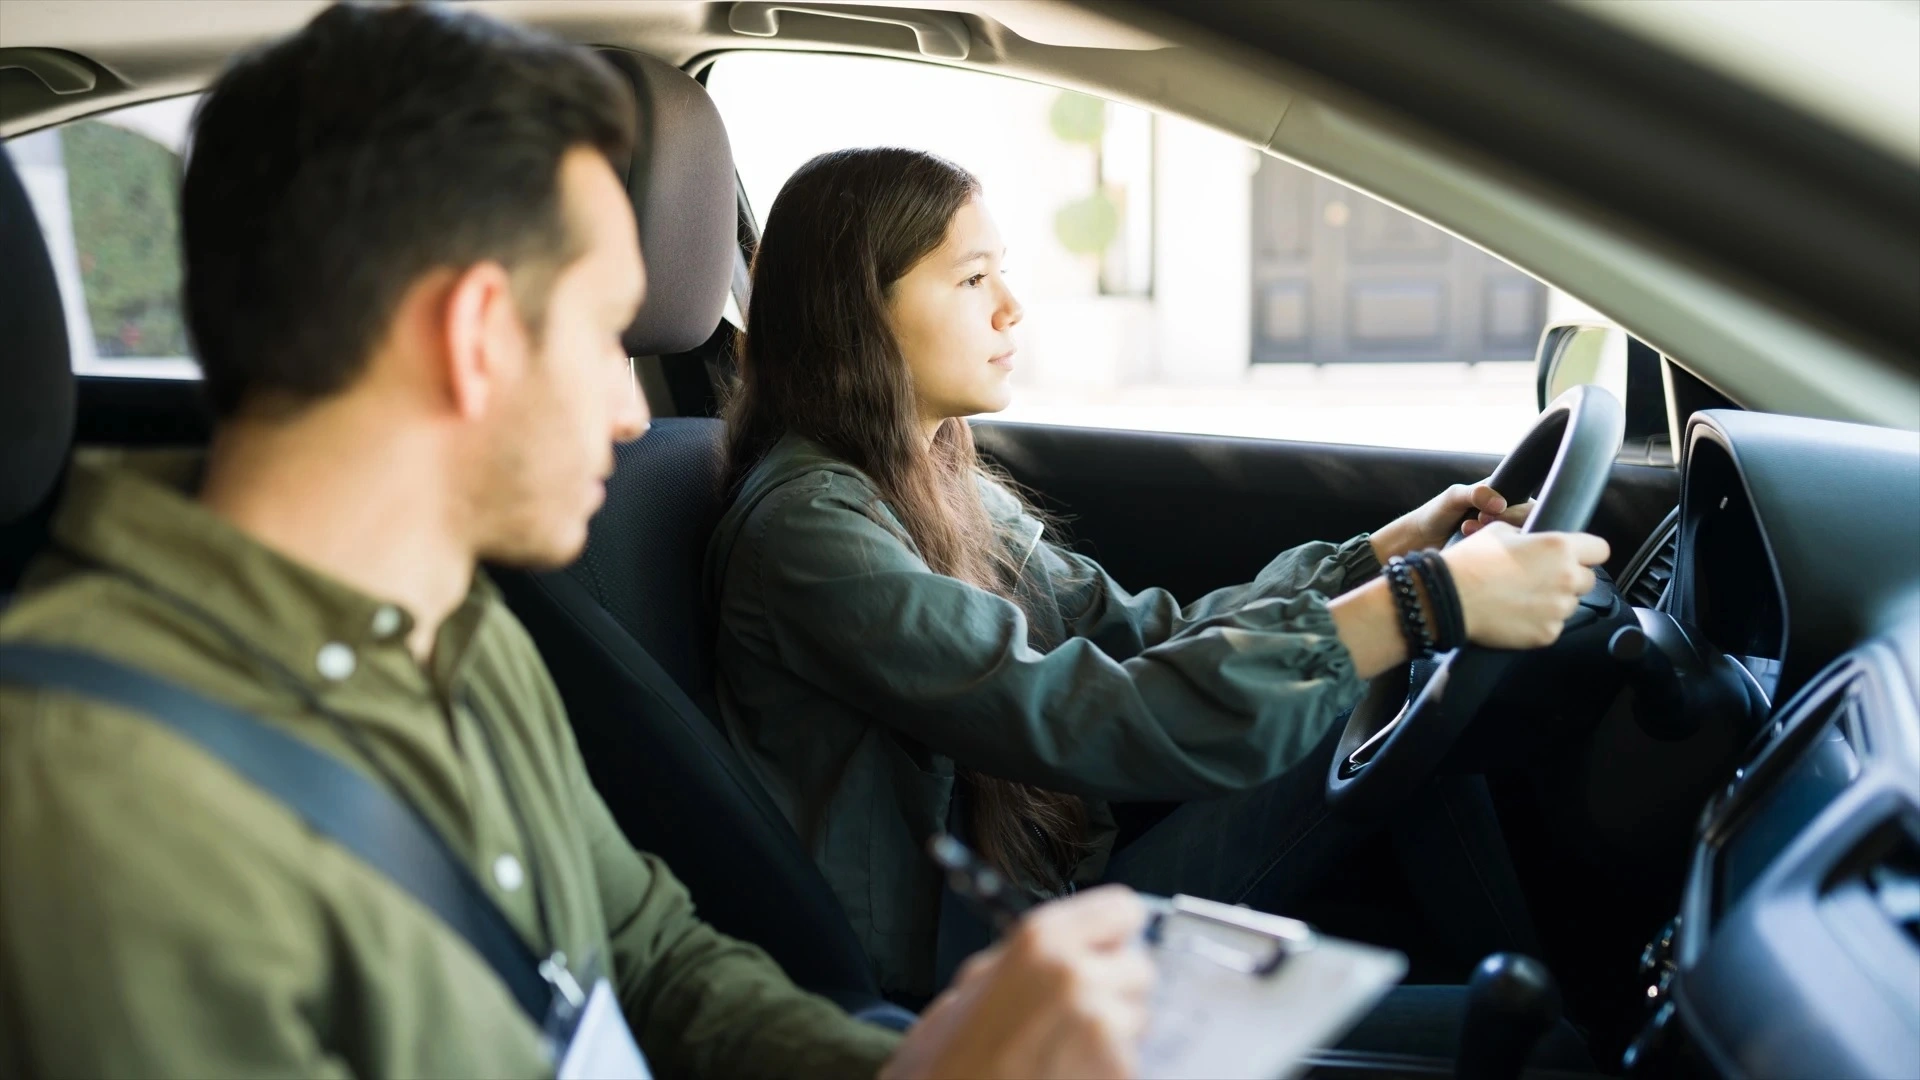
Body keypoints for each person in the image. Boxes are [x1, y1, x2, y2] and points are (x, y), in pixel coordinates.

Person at [0, 6, 1157, 1078]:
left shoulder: (457, 628)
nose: (626, 406)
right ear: (475, 338)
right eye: (608, 335)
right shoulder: (100, 799)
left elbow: (647, 953)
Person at [706, 147, 1612, 1000]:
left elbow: (1146, 633)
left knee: (1390, 694)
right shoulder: (813, 532)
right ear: (857, 311)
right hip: (982, 974)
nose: (1012, 306)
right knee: (1385, 698)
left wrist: (1380, 558)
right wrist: (1417, 608)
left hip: (1047, 898)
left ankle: (1558, 1007)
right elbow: (1078, 716)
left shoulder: (936, 480)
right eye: (973, 278)